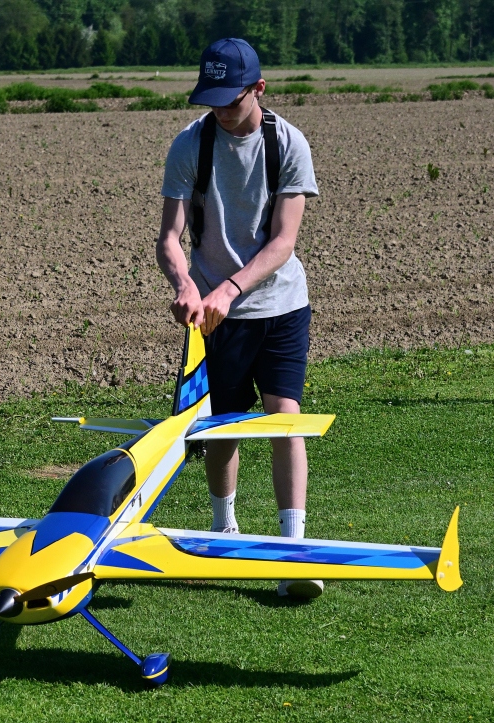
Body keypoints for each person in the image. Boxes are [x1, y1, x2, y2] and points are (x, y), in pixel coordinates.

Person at [155, 38, 322, 599]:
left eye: (231, 98)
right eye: (212, 99)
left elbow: (283, 242)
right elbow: (170, 237)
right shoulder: (190, 145)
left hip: (280, 305)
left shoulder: (288, 144)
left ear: (259, 89)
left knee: (284, 417)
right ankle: (223, 529)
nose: (221, 110)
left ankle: (293, 552)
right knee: (220, 423)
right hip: (212, 314)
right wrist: (186, 285)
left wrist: (229, 288)